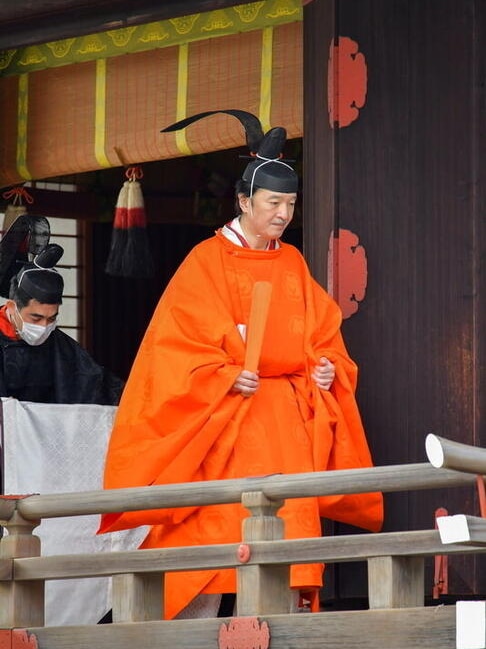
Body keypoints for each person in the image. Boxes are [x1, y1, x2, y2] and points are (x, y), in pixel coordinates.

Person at [99, 111, 384, 619]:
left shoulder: (292, 262)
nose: (282, 214)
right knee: (210, 536)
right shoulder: (204, 262)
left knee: (286, 545)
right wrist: (225, 374)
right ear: (244, 201)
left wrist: (325, 369)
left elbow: (323, 336)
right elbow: (175, 350)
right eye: (273, 203)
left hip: (284, 426)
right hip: (227, 422)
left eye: (290, 204)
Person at [0, 243, 123, 404]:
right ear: (11, 308)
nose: (43, 327)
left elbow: (96, 385)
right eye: (36, 318)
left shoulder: (58, 343)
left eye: (51, 319)